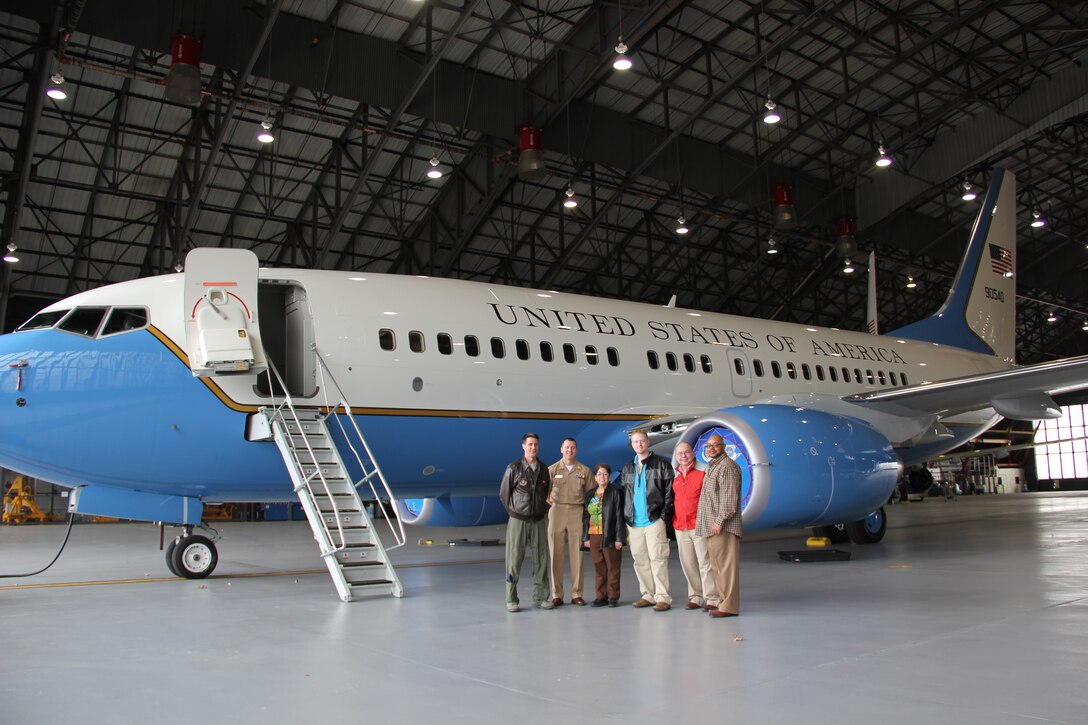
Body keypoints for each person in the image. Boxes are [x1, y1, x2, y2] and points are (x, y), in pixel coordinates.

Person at [620, 429, 674, 611]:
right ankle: (648, 595)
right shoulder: (628, 467)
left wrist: (663, 518)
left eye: (642, 441)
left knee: (657, 559)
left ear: (648, 442)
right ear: (632, 445)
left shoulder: (661, 465)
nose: (639, 444)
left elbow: (669, 493)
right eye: (635, 442)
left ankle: (663, 597)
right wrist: (627, 518)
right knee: (640, 560)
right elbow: (625, 495)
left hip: (654, 520)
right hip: (634, 523)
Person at [499, 433, 553, 613]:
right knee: (514, 559)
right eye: (530, 444)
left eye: (536, 444)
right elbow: (504, 494)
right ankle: (511, 599)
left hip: (538, 520)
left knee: (542, 559)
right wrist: (515, 512)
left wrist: (541, 509)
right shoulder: (513, 468)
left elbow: (547, 493)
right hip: (518, 521)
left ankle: (541, 597)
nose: (533, 448)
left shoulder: (544, 469)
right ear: (523, 446)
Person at [696, 434, 743, 618]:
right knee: (718, 567)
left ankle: (729, 607)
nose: (712, 449)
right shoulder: (712, 467)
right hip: (713, 527)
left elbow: (729, 500)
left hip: (723, 527)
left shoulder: (727, 467)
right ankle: (723, 603)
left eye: (716, 445)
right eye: (709, 446)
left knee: (726, 568)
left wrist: (718, 522)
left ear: (724, 447)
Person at [547, 438, 595, 606]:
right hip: (557, 510)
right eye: (567, 447)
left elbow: (591, 495)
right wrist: (553, 503)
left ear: (577, 450)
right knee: (555, 553)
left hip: (577, 511)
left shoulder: (584, 471)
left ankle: (577, 593)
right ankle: (557, 594)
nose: (569, 451)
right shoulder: (552, 470)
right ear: (561, 449)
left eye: (573, 448)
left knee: (578, 554)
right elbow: (544, 492)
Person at [672, 441, 719, 611]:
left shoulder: (704, 471)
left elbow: (712, 498)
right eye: (680, 454)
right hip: (681, 526)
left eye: (686, 452)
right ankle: (696, 597)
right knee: (688, 563)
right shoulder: (675, 475)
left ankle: (712, 598)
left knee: (705, 563)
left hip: (699, 525)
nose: (683, 456)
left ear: (693, 453)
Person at [582, 463, 625, 607]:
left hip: (610, 535)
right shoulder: (590, 494)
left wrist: (619, 538)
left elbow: (619, 516)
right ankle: (601, 596)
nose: (602, 477)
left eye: (605, 474)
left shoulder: (615, 492)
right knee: (599, 566)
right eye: (599, 474)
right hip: (594, 535)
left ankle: (613, 596)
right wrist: (585, 538)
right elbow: (586, 516)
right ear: (595, 477)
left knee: (612, 566)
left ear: (609, 476)